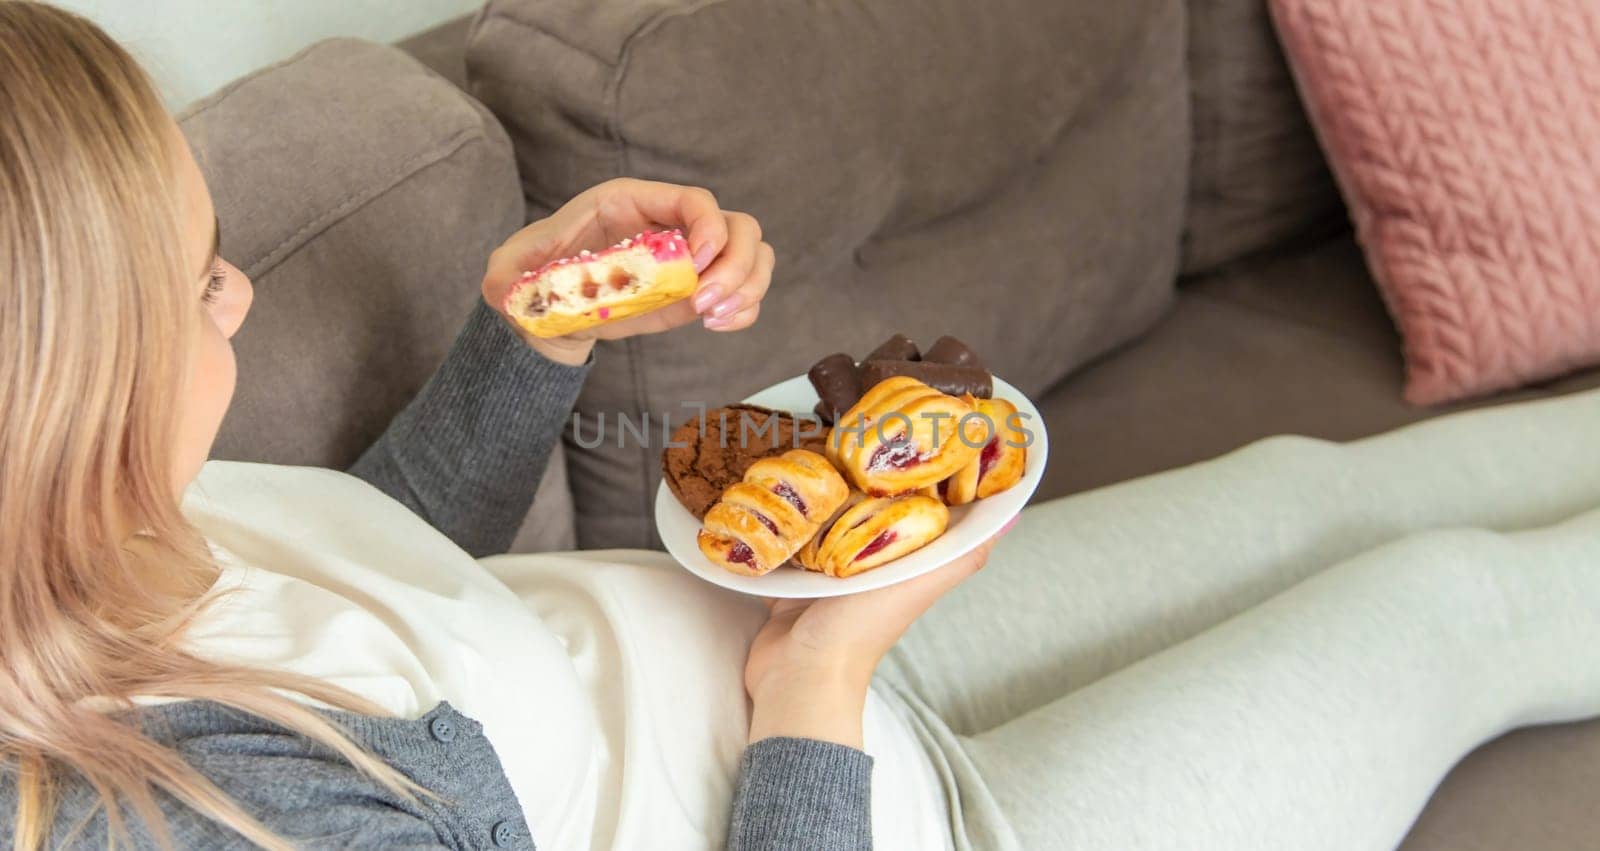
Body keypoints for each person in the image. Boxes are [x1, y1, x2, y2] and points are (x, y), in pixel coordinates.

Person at [4, 3, 1599, 850]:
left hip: (785, 654)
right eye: (195, 286)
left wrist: (529, 336)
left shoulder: (102, 529)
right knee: (1437, 611)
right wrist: (817, 684)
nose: (240, 300)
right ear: (60, 395)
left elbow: (380, 591)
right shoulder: (204, 822)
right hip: (869, 792)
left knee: (1299, 497)